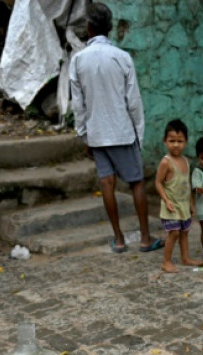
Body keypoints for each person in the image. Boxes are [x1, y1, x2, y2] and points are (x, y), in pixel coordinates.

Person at [70, 4, 161, 254]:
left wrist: (83, 134)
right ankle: (144, 238)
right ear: (109, 28)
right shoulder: (122, 58)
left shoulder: (77, 60)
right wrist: (138, 136)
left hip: (97, 134)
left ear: (88, 28)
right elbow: (134, 102)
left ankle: (119, 239)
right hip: (122, 131)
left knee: (107, 183)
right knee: (137, 183)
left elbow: (78, 104)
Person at [154, 120, 203, 273]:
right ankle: (166, 261)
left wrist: (191, 203)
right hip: (171, 205)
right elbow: (158, 183)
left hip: (183, 205)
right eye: (172, 141)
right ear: (165, 141)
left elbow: (186, 184)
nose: (176, 145)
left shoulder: (186, 161)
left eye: (180, 141)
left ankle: (185, 258)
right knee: (174, 232)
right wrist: (166, 200)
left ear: (186, 142)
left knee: (184, 232)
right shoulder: (165, 162)